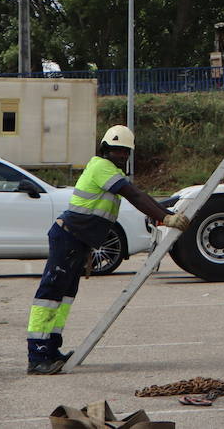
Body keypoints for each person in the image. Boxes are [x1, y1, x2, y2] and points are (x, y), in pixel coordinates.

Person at [26, 125, 190, 375]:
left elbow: (140, 195)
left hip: (77, 241)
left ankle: (50, 349)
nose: (121, 156)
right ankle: (37, 356)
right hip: (68, 237)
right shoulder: (101, 167)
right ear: (105, 150)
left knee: (64, 297)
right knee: (50, 295)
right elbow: (134, 195)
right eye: (116, 151)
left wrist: (166, 214)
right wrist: (164, 219)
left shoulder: (108, 170)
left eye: (125, 152)